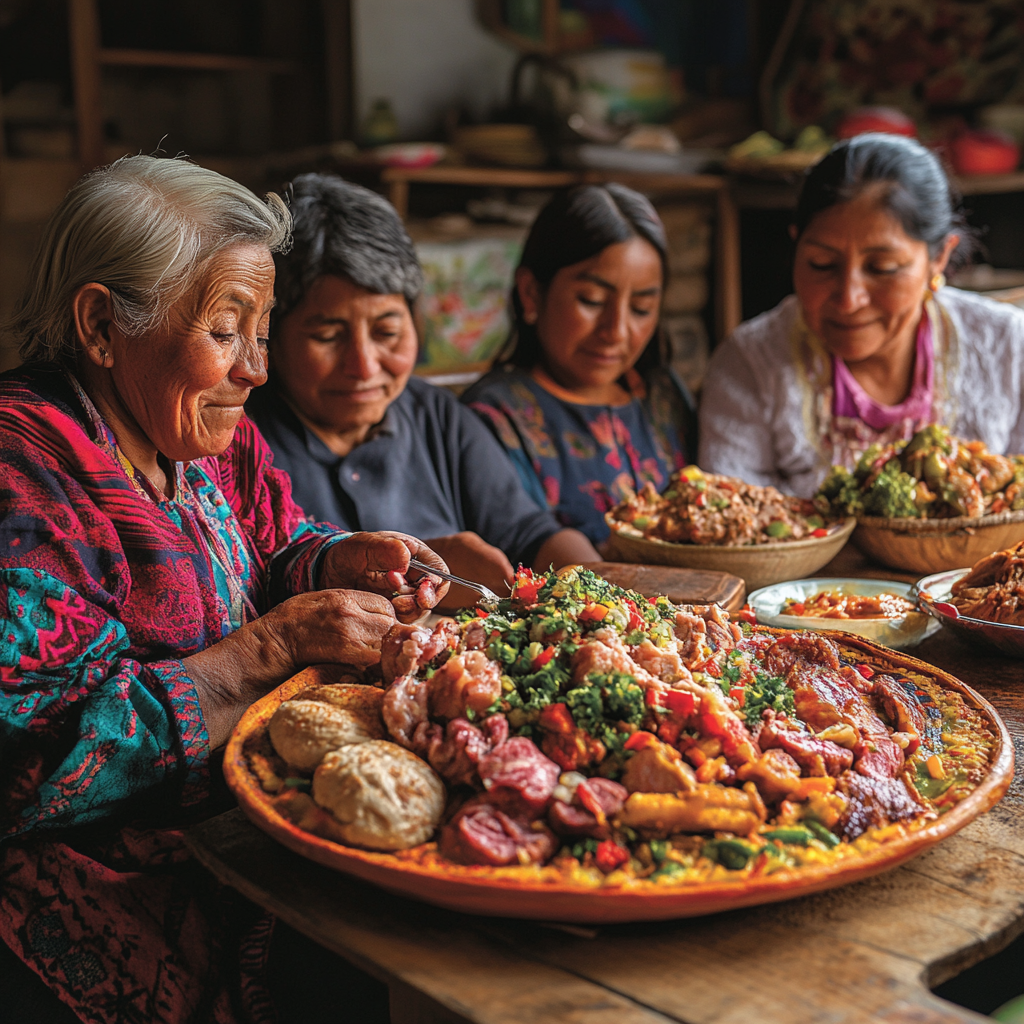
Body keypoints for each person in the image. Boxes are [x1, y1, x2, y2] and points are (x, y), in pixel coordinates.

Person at [0, 155, 449, 1024]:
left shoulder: (203, 428)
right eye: (224, 328)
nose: (256, 370)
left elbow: (277, 542)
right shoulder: (24, 474)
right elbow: (30, 760)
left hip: (242, 854)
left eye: (262, 328)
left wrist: (336, 561)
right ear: (100, 326)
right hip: (83, 912)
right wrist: (269, 648)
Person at [246, 174, 600, 607]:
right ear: (270, 333)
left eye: (387, 332)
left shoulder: (437, 417)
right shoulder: (238, 444)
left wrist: (603, 598)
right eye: (327, 335)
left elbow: (531, 533)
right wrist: (418, 563)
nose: (364, 366)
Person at [699, 132, 1024, 497]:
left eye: (883, 267)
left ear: (939, 259)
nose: (849, 299)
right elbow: (731, 514)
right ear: (796, 246)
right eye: (821, 265)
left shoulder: (1008, 349)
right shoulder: (750, 364)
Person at [461, 184, 696, 547]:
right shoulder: (493, 417)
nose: (615, 331)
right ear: (531, 293)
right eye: (592, 300)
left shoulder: (661, 395)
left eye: (641, 309)